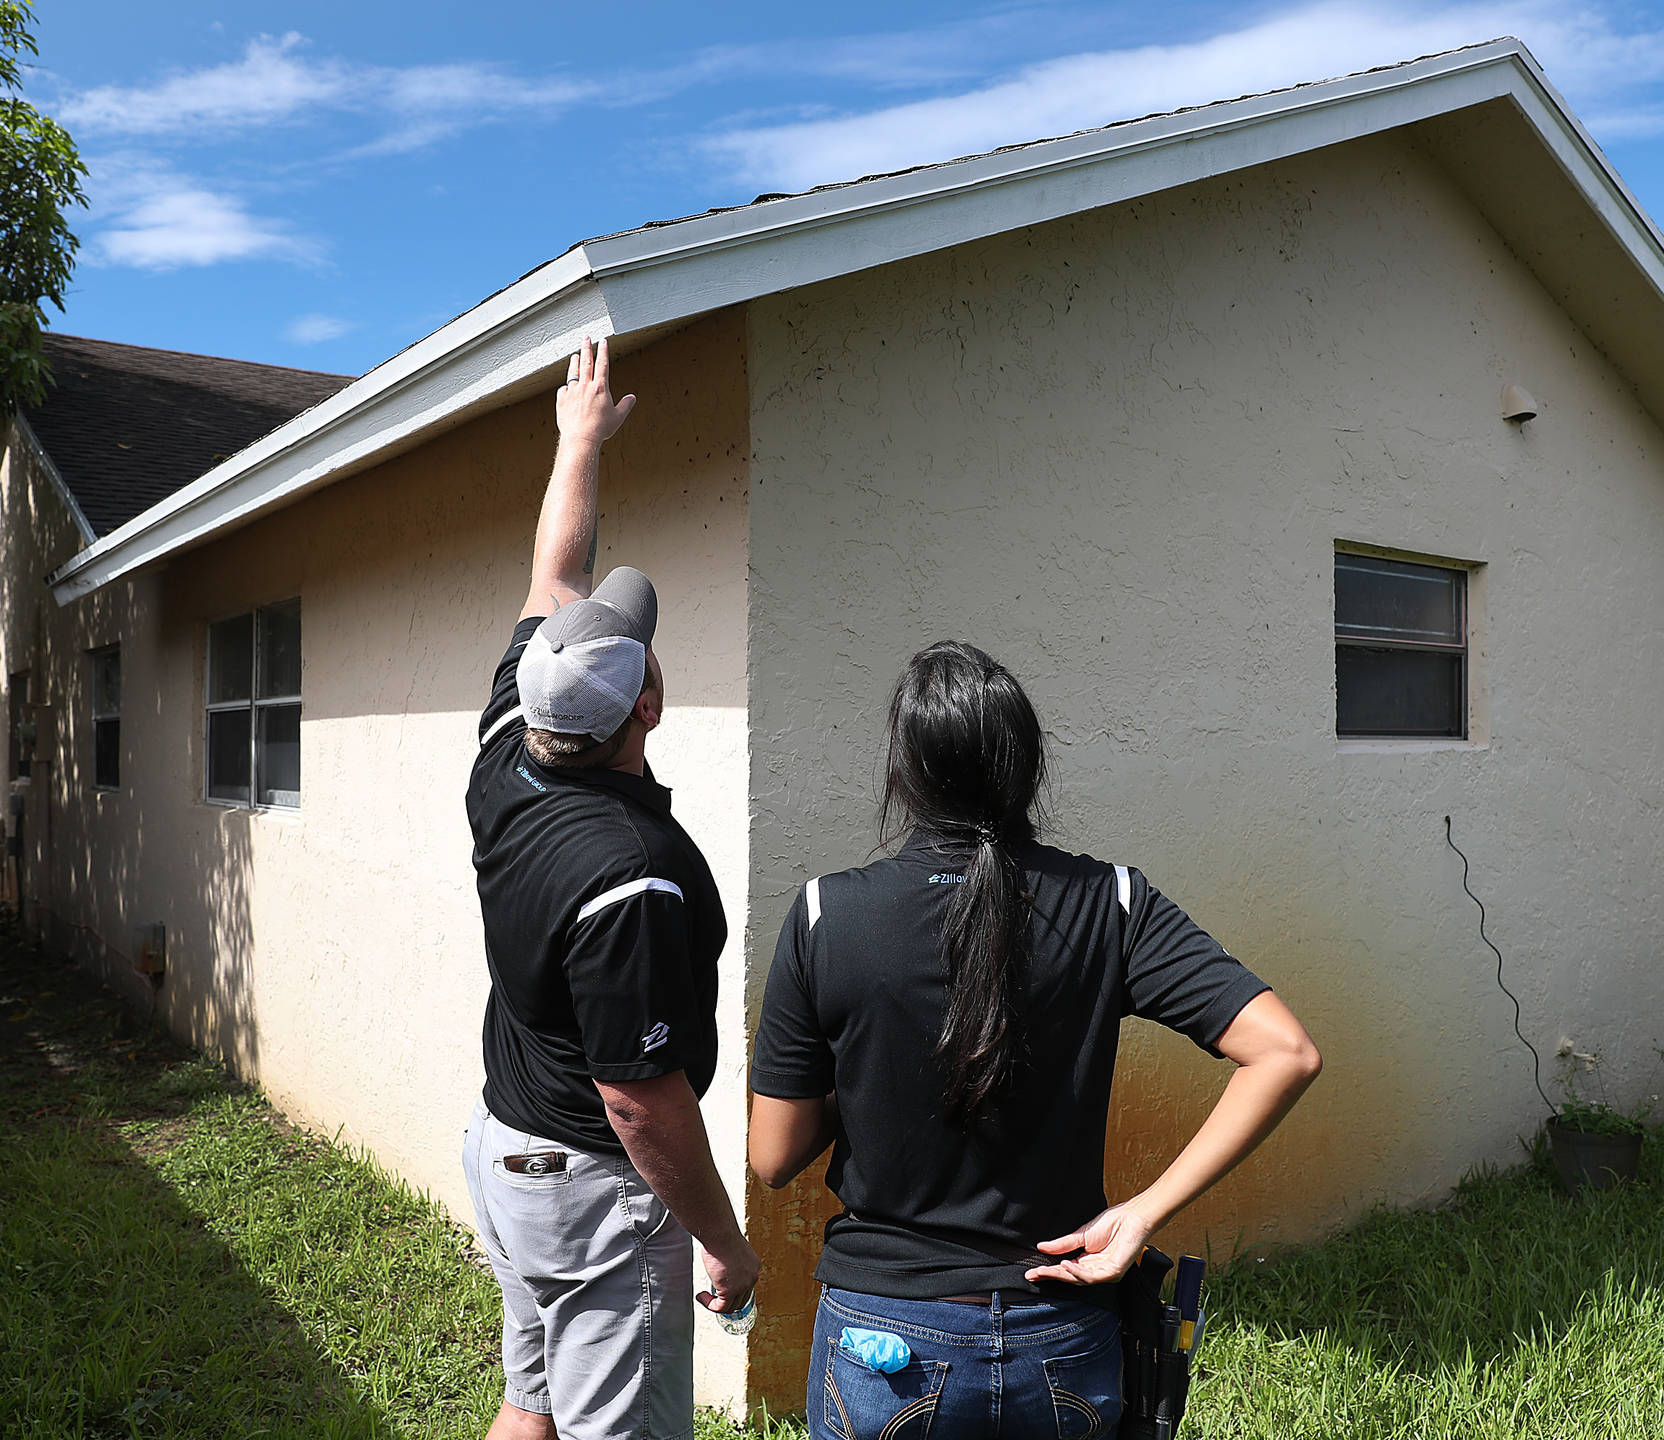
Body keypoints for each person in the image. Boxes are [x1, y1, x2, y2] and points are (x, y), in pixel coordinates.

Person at [748, 640, 1322, 1439]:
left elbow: (774, 1158)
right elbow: (1286, 1052)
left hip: (884, 1343)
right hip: (1063, 1334)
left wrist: (872, 1070)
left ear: (902, 775)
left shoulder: (823, 915)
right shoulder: (1112, 902)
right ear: (1028, 768)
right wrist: (1143, 1213)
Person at [463, 336, 759, 1440]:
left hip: (506, 1149)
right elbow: (640, 1100)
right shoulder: (629, 880)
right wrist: (724, 1242)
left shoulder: (508, 748)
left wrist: (577, 440)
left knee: (527, 1406)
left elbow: (555, 578)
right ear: (647, 707)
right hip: (588, 1191)